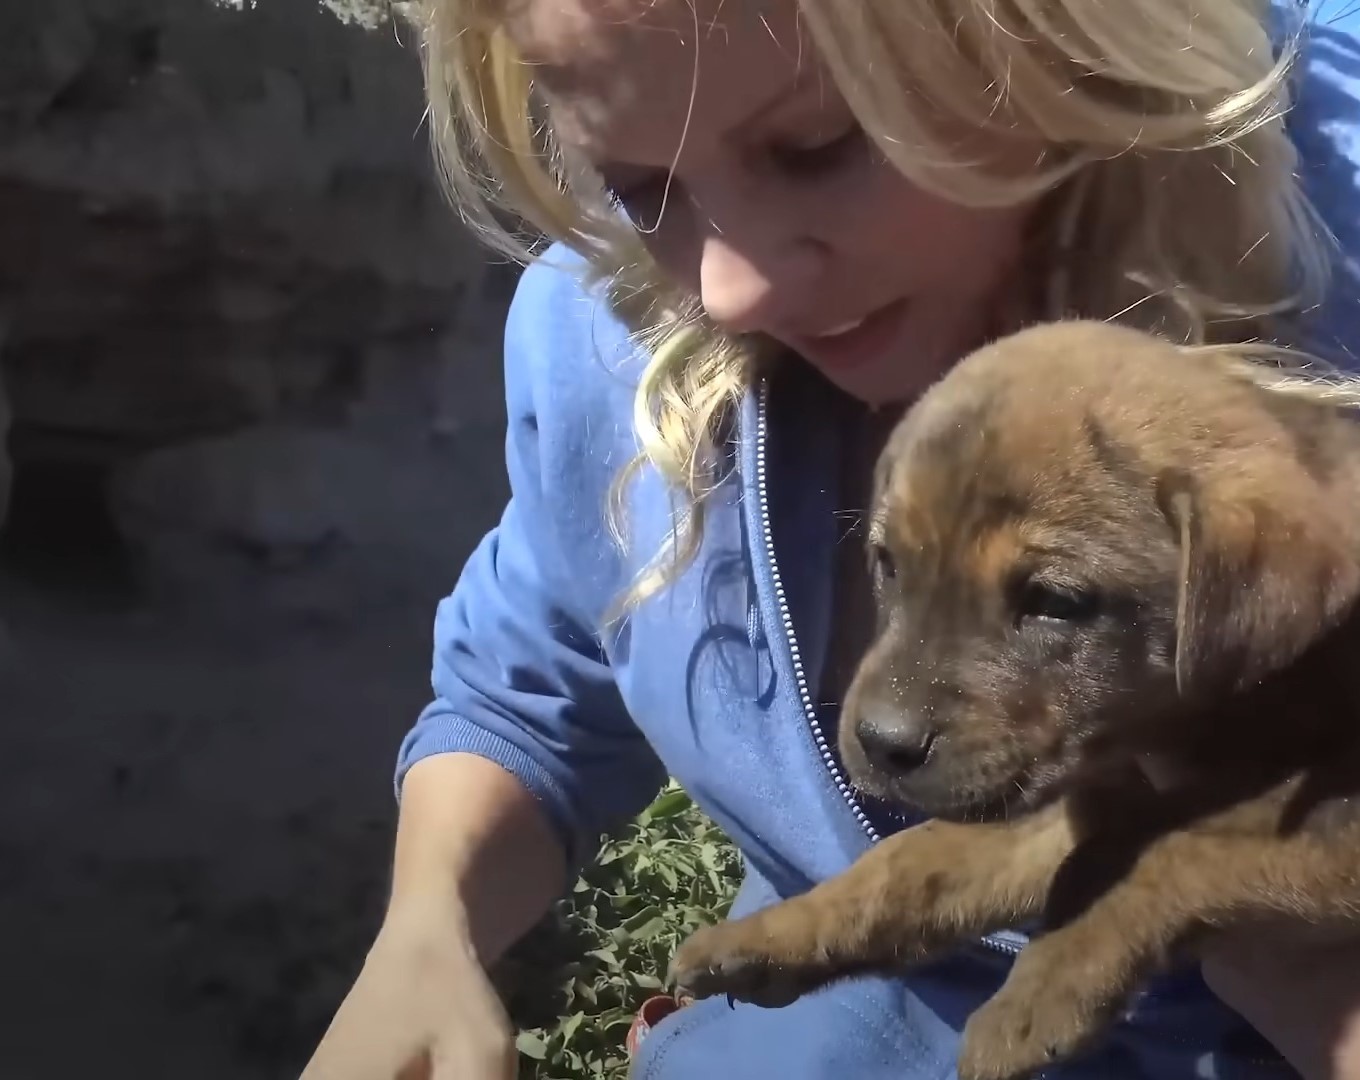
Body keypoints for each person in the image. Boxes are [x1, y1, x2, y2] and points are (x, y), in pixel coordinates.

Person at [300, 0, 1360, 1077]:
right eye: (638, 185)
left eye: (813, 148)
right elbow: (528, 686)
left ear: (1048, 38)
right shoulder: (614, 328)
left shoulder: (1334, 273)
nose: (731, 283)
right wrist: (429, 934)